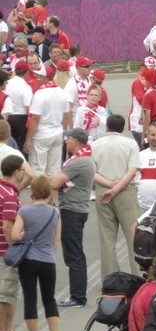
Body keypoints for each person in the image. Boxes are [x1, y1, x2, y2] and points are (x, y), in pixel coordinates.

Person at [11, 175, 61, 331]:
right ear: (48, 191)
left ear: (32, 191)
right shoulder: (55, 212)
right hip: (48, 260)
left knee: (30, 300)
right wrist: (50, 253)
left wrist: (24, 236)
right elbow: (57, 239)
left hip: (29, 261)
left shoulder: (24, 211)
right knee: (50, 299)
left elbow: (15, 234)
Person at [90, 115, 142, 278]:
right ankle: (138, 275)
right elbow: (132, 170)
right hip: (125, 189)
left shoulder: (95, 145)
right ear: (123, 128)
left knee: (107, 237)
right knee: (133, 236)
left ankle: (110, 277)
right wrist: (117, 187)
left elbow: (92, 172)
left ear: (107, 128)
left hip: (102, 190)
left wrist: (109, 185)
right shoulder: (130, 144)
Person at [51, 128, 95, 309]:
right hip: (77, 209)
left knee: (74, 254)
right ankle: (77, 295)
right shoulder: (85, 159)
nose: (65, 142)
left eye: (67, 139)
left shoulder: (78, 162)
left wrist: (55, 180)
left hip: (72, 210)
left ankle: (77, 297)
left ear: (75, 141)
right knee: (75, 252)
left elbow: (54, 183)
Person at [0, 155, 27, 331]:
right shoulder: (10, 195)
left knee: (6, 294)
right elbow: (8, 226)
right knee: (6, 294)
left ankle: (7, 330)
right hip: (5, 252)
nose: (23, 174)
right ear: (16, 172)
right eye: (22, 171)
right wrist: (13, 248)